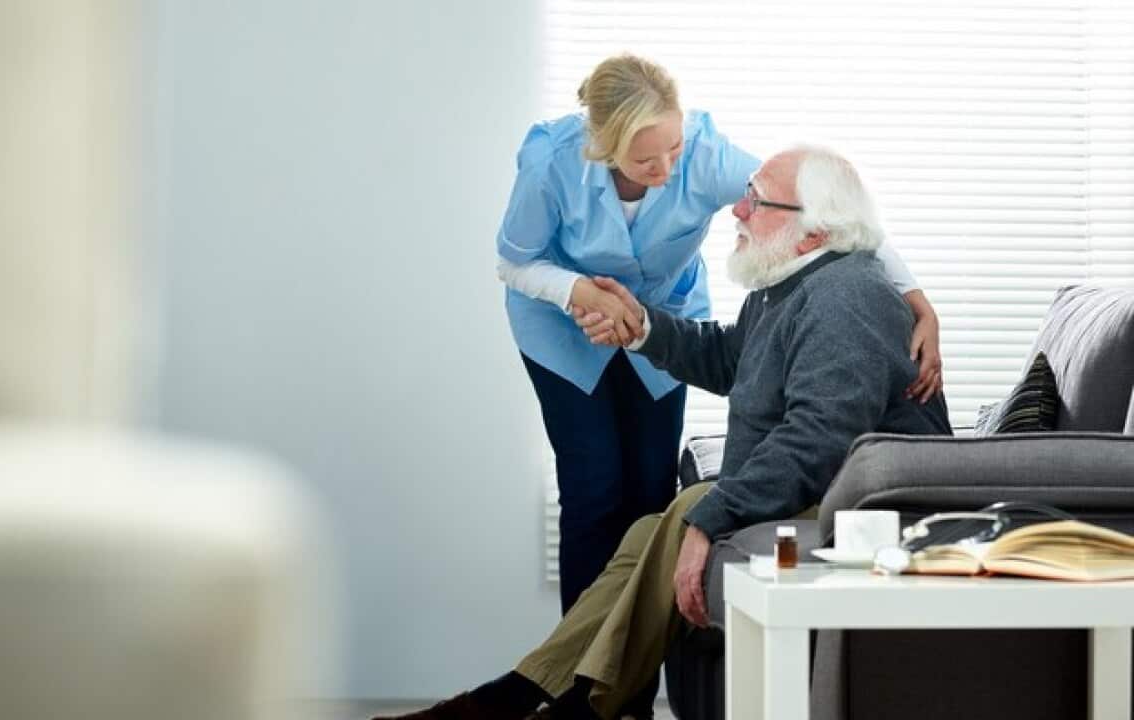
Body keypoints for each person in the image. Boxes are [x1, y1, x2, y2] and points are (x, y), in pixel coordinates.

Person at [382, 145, 952, 720]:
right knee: (647, 533)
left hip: (860, 510)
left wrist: (712, 517)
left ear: (813, 232)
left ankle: (533, 703)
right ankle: (539, 696)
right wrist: (642, 326)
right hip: (824, 492)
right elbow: (729, 359)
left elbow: (818, 439)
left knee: (689, 507)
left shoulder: (845, 298)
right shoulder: (792, 285)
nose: (737, 211)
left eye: (756, 200)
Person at [496, 54, 943, 624]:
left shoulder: (709, 162)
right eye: (644, 158)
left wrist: (917, 300)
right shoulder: (550, 165)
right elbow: (515, 262)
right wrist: (578, 292)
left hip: (658, 318)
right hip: (561, 325)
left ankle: (623, 699)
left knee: (649, 494)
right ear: (604, 148)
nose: (665, 168)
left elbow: (829, 211)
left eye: (673, 151)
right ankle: (575, 696)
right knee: (592, 489)